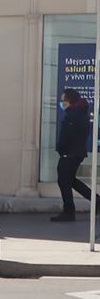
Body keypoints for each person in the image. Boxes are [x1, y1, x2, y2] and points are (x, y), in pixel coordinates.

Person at [52, 88, 94, 222]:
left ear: (70, 101)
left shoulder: (74, 115)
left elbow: (69, 136)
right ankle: (97, 201)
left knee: (64, 181)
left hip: (70, 153)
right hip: (75, 152)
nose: (62, 103)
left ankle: (69, 212)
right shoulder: (78, 113)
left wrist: (61, 148)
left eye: (63, 100)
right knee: (70, 181)